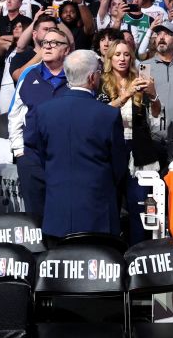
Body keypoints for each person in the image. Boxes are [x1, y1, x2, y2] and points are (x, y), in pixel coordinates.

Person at [32, 50, 128, 240]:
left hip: (57, 209)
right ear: (92, 77)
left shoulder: (44, 111)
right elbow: (119, 163)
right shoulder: (108, 114)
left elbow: (41, 156)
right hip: (97, 210)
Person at [98, 39, 162, 244]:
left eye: (126, 54)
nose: (122, 59)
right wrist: (126, 94)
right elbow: (99, 115)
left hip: (140, 150)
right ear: (109, 58)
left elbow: (156, 115)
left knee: (140, 205)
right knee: (111, 206)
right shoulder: (100, 81)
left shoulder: (141, 78)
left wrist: (153, 96)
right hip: (111, 149)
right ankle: (112, 253)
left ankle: (139, 251)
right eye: (117, 54)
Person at [8, 26, 72, 219]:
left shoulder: (75, 76)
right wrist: (19, 151)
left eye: (55, 43)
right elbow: (15, 115)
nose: (48, 47)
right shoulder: (28, 75)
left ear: (66, 50)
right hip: (32, 158)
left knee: (64, 213)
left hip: (66, 158)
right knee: (35, 216)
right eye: (45, 42)